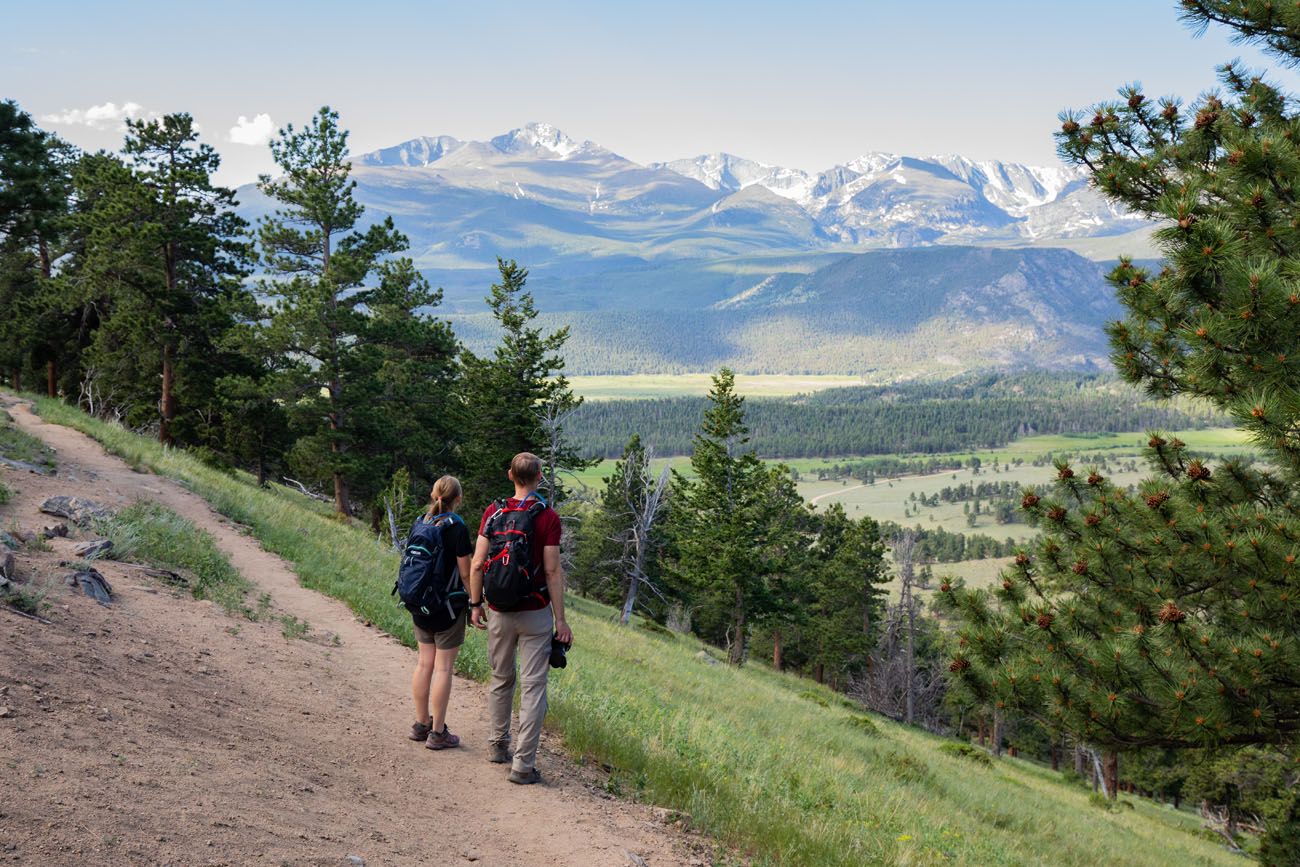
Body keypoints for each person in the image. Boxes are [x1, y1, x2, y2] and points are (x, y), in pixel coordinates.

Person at [468, 452, 573, 785]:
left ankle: (498, 746)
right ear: (539, 476)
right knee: (533, 689)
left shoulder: (493, 512)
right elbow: (553, 570)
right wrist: (561, 620)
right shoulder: (548, 517)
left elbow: (476, 563)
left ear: (510, 475)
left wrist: (475, 603)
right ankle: (523, 765)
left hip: (498, 611)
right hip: (535, 613)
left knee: (501, 679)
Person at [407, 475, 474, 751]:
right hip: (448, 608)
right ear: (457, 499)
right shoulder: (457, 528)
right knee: (443, 668)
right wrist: (476, 602)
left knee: (424, 664)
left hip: (420, 604)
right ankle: (438, 733)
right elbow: (466, 572)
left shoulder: (420, 522)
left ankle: (421, 723)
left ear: (434, 494)